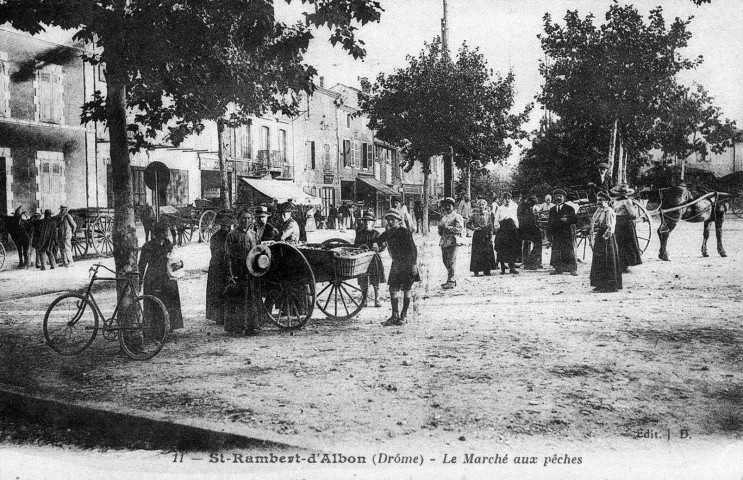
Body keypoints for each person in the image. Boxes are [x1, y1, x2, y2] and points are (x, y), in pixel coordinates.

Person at [375, 210, 419, 325]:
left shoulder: (405, 232)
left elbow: (413, 249)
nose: (390, 222)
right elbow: (378, 239)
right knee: (393, 289)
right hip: (396, 264)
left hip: (408, 264)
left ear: (399, 221)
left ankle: (403, 315)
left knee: (407, 289)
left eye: (392, 219)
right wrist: (376, 243)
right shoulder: (388, 233)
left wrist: (414, 265)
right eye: (388, 219)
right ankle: (394, 315)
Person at [138, 222, 184, 331]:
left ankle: (170, 326)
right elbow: (141, 265)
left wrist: (180, 264)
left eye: (167, 231)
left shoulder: (168, 244)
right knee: (154, 303)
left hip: (166, 276)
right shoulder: (148, 246)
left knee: (170, 297)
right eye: (165, 231)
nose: (167, 233)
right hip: (153, 278)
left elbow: (175, 259)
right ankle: (154, 329)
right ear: (158, 233)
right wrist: (140, 281)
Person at [223, 210, 261, 335]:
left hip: (251, 271)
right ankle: (237, 327)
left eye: (248, 218)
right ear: (237, 219)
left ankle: (251, 326)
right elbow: (228, 256)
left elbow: (259, 252)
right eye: (243, 218)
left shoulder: (254, 235)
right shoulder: (232, 235)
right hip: (238, 270)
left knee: (251, 298)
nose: (246, 221)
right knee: (238, 299)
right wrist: (230, 275)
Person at [589, 191, 622, 293]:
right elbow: (594, 223)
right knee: (599, 259)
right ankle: (600, 284)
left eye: (601, 200)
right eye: (598, 200)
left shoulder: (609, 211)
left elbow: (611, 226)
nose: (599, 202)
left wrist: (605, 236)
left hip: (607, 238)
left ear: (606, 200)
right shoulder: (599, 210)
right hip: (600, 235)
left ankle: (610, 285)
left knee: (608, 259)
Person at [354, 211, 386, 307]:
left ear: (373, 222)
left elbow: (382, 246)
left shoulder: (376, 234)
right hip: (363, 259)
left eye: (369, 221)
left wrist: (380, 247)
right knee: (363, 279)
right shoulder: (360, 234)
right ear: (363, 222)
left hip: (374, 259)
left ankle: (377, 299)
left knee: (376, 278)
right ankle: (364, 300)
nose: (367, 222)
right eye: (365, 221)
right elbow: (356, 246)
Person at [205, 211, 232, 325]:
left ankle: (219, 316)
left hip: (216, 265)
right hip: (221, 265)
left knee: (218, 291)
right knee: (222, 290)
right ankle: (223, 316)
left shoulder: (215, 236)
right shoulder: (225, 236)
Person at [611, 184, 642, 272]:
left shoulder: (618, 201)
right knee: (622, 243)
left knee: (623, 244)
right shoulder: (626, 201)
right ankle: (621, 264)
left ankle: (624, 265)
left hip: (622, 223)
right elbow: (632, 213)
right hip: (622, 223)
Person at [547, 189, 578, 276]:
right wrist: (549, 234)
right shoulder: (552, 209)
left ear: (564, 198)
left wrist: (567, 220)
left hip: (566, 233)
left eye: (560, 196)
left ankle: (572, 269)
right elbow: (549, 223)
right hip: (556, 233)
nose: (558, 198)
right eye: (556, 196)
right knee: (556, 250)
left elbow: (575, 220)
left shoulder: (569, 208)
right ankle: (558, 269)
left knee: (568, 250)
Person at [438, 197, 463, 289]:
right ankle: (452, 277)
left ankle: (451, 280)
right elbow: (440, 231)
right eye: (445, 206)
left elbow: (460, 229)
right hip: (444, 241)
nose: (447, 207)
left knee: (451, 261)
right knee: (445, 260)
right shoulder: (444, 217)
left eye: (449, 205)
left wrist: (448, 228)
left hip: (453, 240)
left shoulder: (457, 216)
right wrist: (440, 229)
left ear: (453, 206)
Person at [466, 199, 496, 276]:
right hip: (478, 235)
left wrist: (491, 234)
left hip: (486, 234)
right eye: (480, 205)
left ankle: (487, 270)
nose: (481, 206)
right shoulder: (474, 215)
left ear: (485, 206)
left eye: (483, 205)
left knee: (487, 252)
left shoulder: (488, 214)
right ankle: (476, 270)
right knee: (477, 253)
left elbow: (490, 225)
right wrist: (474, 228)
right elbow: (467, 224)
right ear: (477, 206)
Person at [518, 196, 543, 270]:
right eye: (532, 205)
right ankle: (531, 262)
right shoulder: (525, 207)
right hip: (528, 229)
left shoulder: (524, 205)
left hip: (526, 229)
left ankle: (531, 262)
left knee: (535, 244)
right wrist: (535, 216)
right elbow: (528, 219)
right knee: (538, 243)